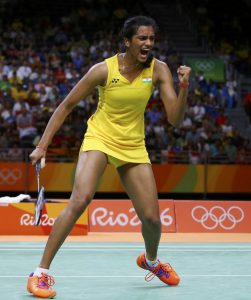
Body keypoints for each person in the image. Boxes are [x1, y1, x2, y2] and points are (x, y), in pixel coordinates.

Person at [27, 15, 191, 298]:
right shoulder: (103, 70)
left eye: (151, 38)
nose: (148, 43)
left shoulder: (160, 69)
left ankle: (151, 261)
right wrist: (42, 146)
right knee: (80, 199)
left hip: (133, 146)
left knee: (152, 219)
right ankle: (40, 273)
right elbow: (66, 106)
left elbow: (175, 119)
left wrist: (185, 87)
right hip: (100, 138)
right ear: (127, 41)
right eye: (142, 38)